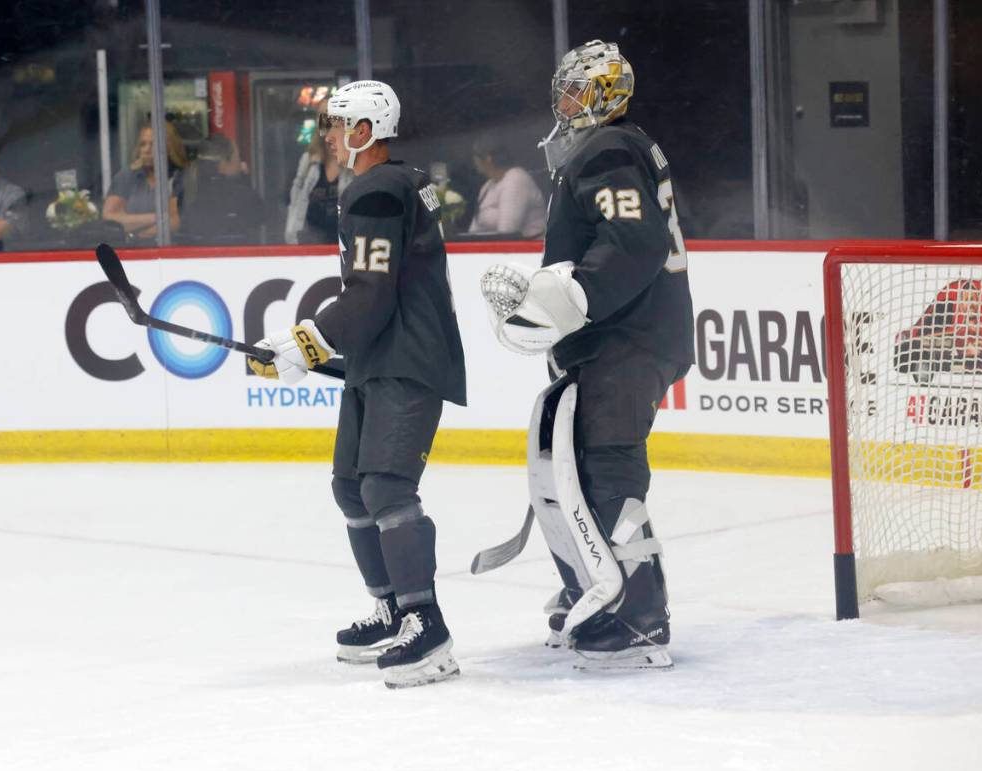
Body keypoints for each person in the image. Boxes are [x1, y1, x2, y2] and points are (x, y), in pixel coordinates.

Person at [481, 41, 695, 670]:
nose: (563, 102)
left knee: (607, 466)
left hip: (628, 337)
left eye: (576, 90)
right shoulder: (613, 149)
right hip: (620, 334)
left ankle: (639, 614)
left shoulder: (606, 148)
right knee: (574, 467)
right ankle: (591, 588)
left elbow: (634, 241)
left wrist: (572, 295)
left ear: (606, 94)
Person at [247, 80, 466, 689]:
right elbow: (375, 296)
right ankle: (393, 608)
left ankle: (428, 627)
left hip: (408, 358)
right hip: (382, 355)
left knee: (387, 488)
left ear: (366, 130)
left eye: (337, 124)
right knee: (351, 486)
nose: (329, 136)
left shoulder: (376, 190)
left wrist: (306, 341)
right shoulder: (392, 183)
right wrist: (313, 347)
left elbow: (371, 293)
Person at [103, 121, 185, 242]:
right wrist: (158, 217)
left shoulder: (179, 177)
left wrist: (135, 234)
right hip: (127, 250)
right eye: (143, 144)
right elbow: (109, 219)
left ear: (168, 148)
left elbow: (174, 222)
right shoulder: (127, 176)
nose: (146, 150)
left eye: (153, 145)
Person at [178, 134, 265, 244]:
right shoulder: (239, 194)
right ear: (223, 165)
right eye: (238, 158)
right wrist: (244, 180)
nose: (241, 164)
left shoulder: (184, 186)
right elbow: (260, 215)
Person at [284, 102, 345, 245]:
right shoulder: (308, 160)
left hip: (346, 244)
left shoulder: (355, 162)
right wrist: (291, 236)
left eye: (334, 118)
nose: (329, 122)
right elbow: (295, 200)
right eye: (324, 117)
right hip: (311, 243)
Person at [467, 134, 545, 239]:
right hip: (495, 250)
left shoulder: (516, 179)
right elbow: (473, 231)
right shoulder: (487, 187)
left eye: (475, 157)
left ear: (488, 158)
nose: (474, 162)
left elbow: (507, 232)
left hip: (529, 251)